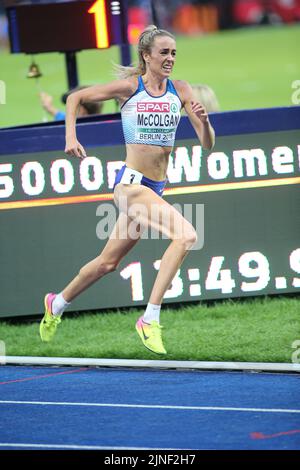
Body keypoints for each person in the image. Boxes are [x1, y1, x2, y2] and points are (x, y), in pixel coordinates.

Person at [39, 25, 215, 355]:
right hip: (130, 186)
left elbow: (208, 145)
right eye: (164, 52)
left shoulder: (181, 89)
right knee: (186, 235)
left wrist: (204, 123)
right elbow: (76, 98)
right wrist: (70, 137)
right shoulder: (129, 89)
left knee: (107, 264)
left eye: (174, 52)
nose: (170, 58)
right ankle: (149, 318)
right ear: (146, 56)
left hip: (155, 189)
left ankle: (56, 303)